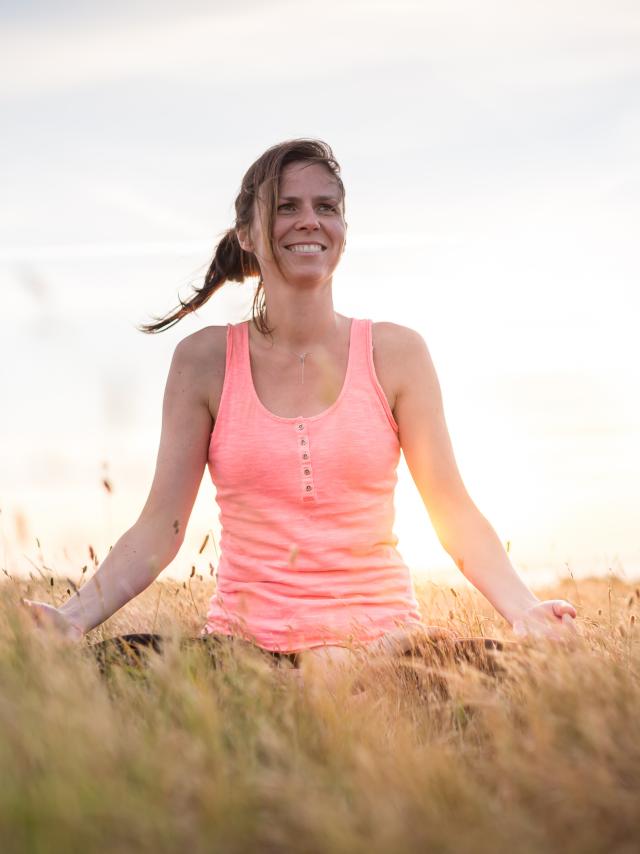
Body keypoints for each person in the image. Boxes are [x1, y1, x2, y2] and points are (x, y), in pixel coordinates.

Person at [22, 139, 577, 681]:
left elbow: (453, 511)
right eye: (287, 206)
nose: (309, 220)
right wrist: (70, 619)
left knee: (524, 680)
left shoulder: (398, 353)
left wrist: (524, 609)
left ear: (342, 229)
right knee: (101, 675)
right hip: (245, 656)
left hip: (389, 649)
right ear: (247, 233)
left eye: (325, 207)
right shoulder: (204, 361)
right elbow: (159, 529)